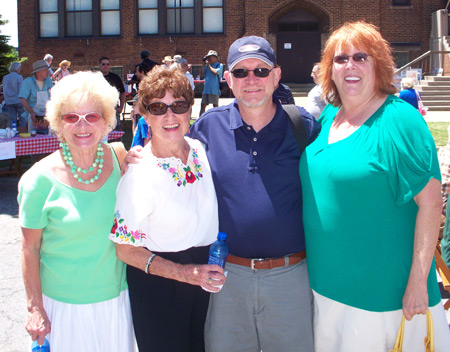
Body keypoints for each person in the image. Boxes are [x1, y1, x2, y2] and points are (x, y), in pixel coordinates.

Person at [299, 21, 450, 351]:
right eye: (340, 59)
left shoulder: (399, 121)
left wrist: (417, 282)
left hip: (385, 296)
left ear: (379, 65)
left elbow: (431, 204)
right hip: (327, 287)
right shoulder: (328, 117)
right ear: (329, 69)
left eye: (361, 57)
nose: (349, 66)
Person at [191, 36, 320, 351]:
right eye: (241, 72)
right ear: (227, 80)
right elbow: (173, 173)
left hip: (291, 277)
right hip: (227, 277)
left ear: (276, 76)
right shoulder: (206, 128)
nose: (252, 80)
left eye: (261, 71)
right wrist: (130, 158)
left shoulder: (303, 126)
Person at [110, 66, 225, 352]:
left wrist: (195, 275)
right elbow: (125, 250)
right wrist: (183, 273)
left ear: (190, 111)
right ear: (145, 116)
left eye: (179, 106)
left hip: (203, 278)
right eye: (158, 107)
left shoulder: (199, 148)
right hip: (160, 284)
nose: (170, 116)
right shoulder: (139, 172)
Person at [18, 71, 135, 351]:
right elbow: (29, 249)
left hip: (117, 302)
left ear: (106, 120)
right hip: (64, 308)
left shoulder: (119, 158)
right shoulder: (38, 180)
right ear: (58, 123)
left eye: (92, 116)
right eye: (71, 117)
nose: (82, 125)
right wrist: (34, 308)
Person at [19, 60, 53, 132]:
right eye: (46, 70)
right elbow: (22, 99)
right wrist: (31, 112)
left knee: (47, 137)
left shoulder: (48, 81)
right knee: (33, 135)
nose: (48, 72)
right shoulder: (28, 82)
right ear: (38, 72)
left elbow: (53, 96)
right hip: (33, 116)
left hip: (46, 115)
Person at [99, 56, 126, 130]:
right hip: (99, 110)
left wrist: (121, 107)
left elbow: (123, 93)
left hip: (113, 109)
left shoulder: (115, 77)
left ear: (110, 66)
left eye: (108, 64)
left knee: (116, 132)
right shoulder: (95, 78)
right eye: (103, 64)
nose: (106, 66)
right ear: (99, 65)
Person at [199, 50, 223, 116]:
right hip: (206, 89)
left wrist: (208, 65)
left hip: (214, 90)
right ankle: (200, 120)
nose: (209, 58)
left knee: (215, 106)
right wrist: (203, 64)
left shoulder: (219, 65)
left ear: (215, 58)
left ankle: (218, 119)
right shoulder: (207, 66)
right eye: (208, 57)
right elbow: (201, 73)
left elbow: (215, 72)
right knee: (203, 105)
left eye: (211, 57)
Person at [2, 62, 25, 128]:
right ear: (17, 68)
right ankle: (22, 132)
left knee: (11, 119)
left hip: (9, 101)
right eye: (20, 68)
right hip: (18, 100)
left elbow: (4, 90)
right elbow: (21, 90)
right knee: (22, 118)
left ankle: (12, 133)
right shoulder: (19, 77)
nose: (20, 69)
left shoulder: (5, 77)